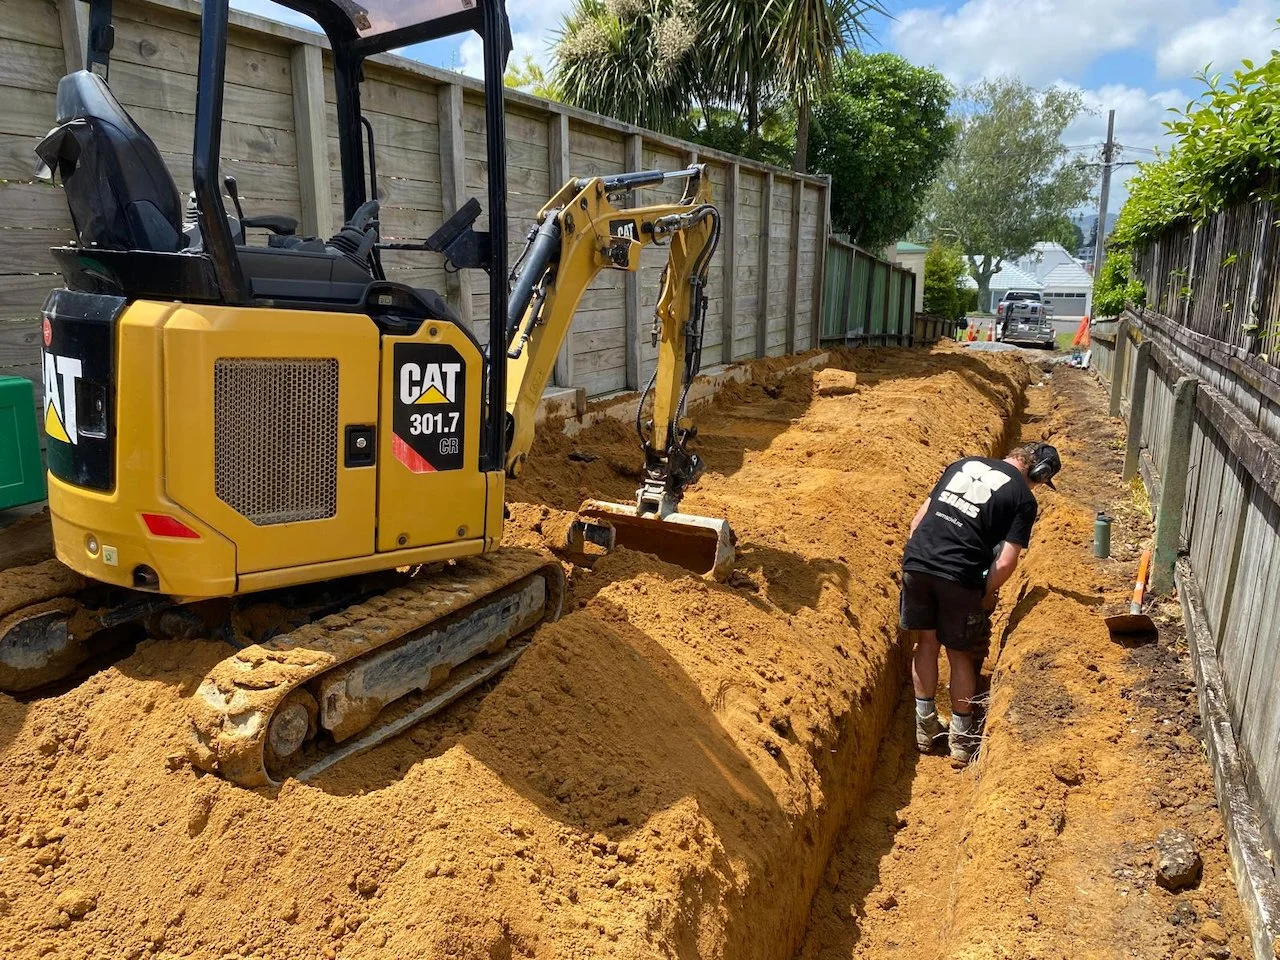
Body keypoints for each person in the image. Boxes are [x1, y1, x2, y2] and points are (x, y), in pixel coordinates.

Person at [900, 442, 1062, 764]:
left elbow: (918, 521)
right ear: (1039, 474)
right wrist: (982, 592)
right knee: (959, 654)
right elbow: (1006, 562)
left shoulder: (961, 464)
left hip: (917, 562)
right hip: (959, 574)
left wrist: (920, 561)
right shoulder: (1024, 498)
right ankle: (961, 739)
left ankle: (924, 728)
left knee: (926, 643)